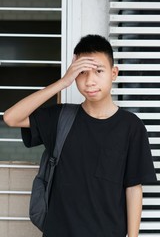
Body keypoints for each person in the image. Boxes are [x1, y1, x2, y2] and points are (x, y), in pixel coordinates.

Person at [3, 34, 157, 237]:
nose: (90, 80)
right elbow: (11, 118)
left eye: (98, 71)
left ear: (114, 73)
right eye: (82, 72)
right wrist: (63, 82)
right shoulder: (61, 118)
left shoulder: (131, 126)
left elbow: (133, 187)